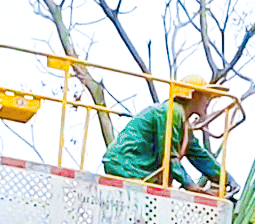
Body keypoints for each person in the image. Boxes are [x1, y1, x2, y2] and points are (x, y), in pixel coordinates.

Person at [102, 75, 239, 195]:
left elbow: (198, 154)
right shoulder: (172, 112)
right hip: (127, 165)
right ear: (194, 95)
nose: (208, 101)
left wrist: (224, 178)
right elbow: (169, 156)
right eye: (207, 96)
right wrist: (190, 185)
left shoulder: (181, 121)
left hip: (133, 167)